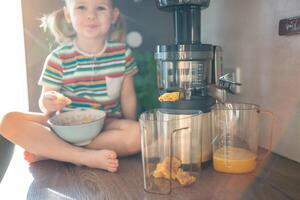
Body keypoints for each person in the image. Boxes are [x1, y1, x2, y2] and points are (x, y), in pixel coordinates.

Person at [0, 0, 141, 172]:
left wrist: (130, 124)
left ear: (113, 15)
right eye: (81, 7)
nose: (91, 15)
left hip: (106, 125)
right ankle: (82, 156)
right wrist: (49, 101)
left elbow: (128, 96)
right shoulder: (58, 58)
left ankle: (52, 151)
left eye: (101, 8)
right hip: (63, 127)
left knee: (139, 134)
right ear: (68, 14)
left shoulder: (122, 55)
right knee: (8, 121)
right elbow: (46, 104)